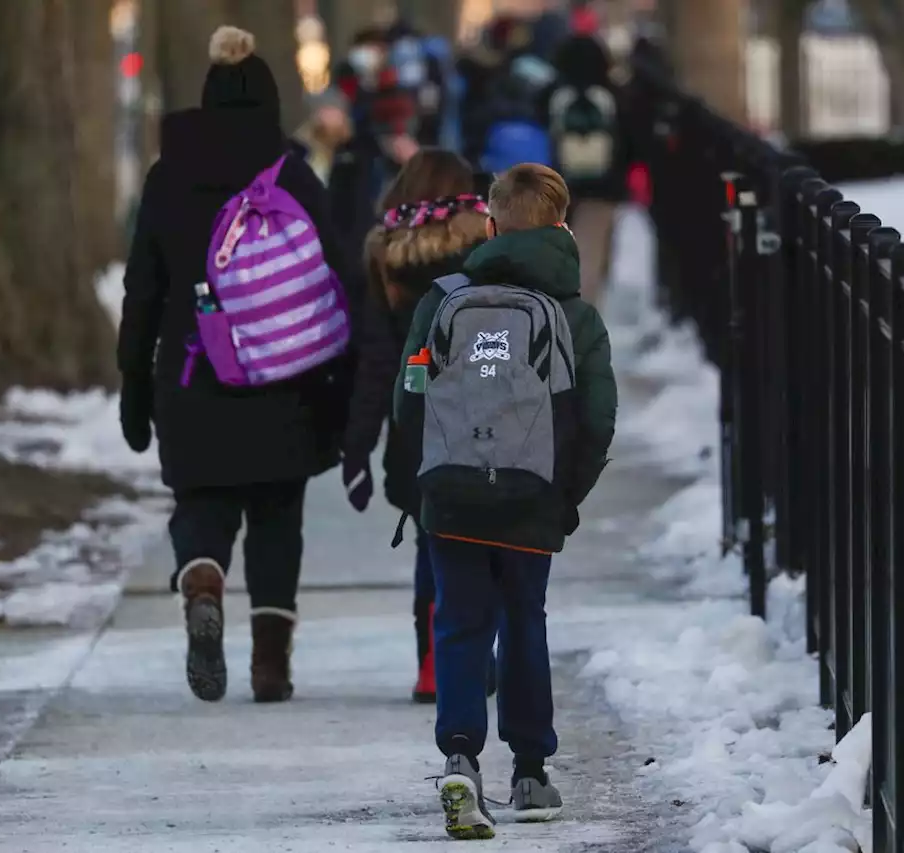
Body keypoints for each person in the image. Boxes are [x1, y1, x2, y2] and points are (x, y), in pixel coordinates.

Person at [118, 27, 358, 705]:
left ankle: (201, 579)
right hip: (288, 383)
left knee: (203, 502)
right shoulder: (291, 175)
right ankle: (271, 666)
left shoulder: (167, 179)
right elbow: (336, 274)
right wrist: (351, 380)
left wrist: (134, 390)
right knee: (278, 517)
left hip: (194, 380)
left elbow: (142, 293)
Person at [391, 164, 617, 837]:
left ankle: (460, 755)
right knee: (524, 619)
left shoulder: (441, 302)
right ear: (562, 227)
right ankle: (530, 770)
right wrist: (563, 496)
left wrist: (422, 484)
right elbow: (597, 419)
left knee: (459, 621)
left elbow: (409, 399)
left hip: (453, 497)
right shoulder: (575, 315)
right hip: (531, 500)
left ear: (490, 226)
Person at [340, 150, 490, 704]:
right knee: (486, 543)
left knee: (433, 547)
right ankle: (479, 654)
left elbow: (377, 363)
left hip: (417, 427)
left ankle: (433, 664)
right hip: (487, 419)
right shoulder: (488, 246)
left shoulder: (385, 258)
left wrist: (356, 449)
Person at [544, 27, 632, 308]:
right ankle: (584, 319)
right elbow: (629, 143)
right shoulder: (614, 95)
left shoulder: (551, 94)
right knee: (592, 256)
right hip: (603, 188)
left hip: (558, 184)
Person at [289, 87, 378, 274]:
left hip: (349, 245)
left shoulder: (356, 153)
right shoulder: (298, 153)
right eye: (325, 110)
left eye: (333, 110)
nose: (329, 116)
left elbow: (361, 204)